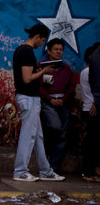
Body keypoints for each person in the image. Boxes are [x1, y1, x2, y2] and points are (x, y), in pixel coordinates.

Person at [12, 23, 64, 182]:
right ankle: (20, 170)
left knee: (37, 136)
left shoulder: (21, 50)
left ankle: (46, 170)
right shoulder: (26, 52)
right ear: (37, 37)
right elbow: (27, 78)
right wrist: (44, 71)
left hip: (30, 98)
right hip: (28, 97)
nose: (42, 44)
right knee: (29, 135)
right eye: (42, 41)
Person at [39, 38, 75, 173]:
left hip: (63, 103)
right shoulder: (42, 66)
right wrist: (49, 99)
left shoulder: (66, 68)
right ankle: (47, 155)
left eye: (61, 50)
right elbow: (39, 86)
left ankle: (54, 166)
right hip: (47, 103)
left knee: (62, 135)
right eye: (56, 49)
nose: (59, 52)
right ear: (49, 51)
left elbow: (71, 86)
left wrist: (63, 99)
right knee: (54, 127)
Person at [80, 43, 100, 182]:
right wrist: (96, 103)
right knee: (93, 143)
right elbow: (95, 88)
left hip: (90, 108)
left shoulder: (85, 71)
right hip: (92, 109)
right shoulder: (87, 72)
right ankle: (90, 171)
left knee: (92, 142)